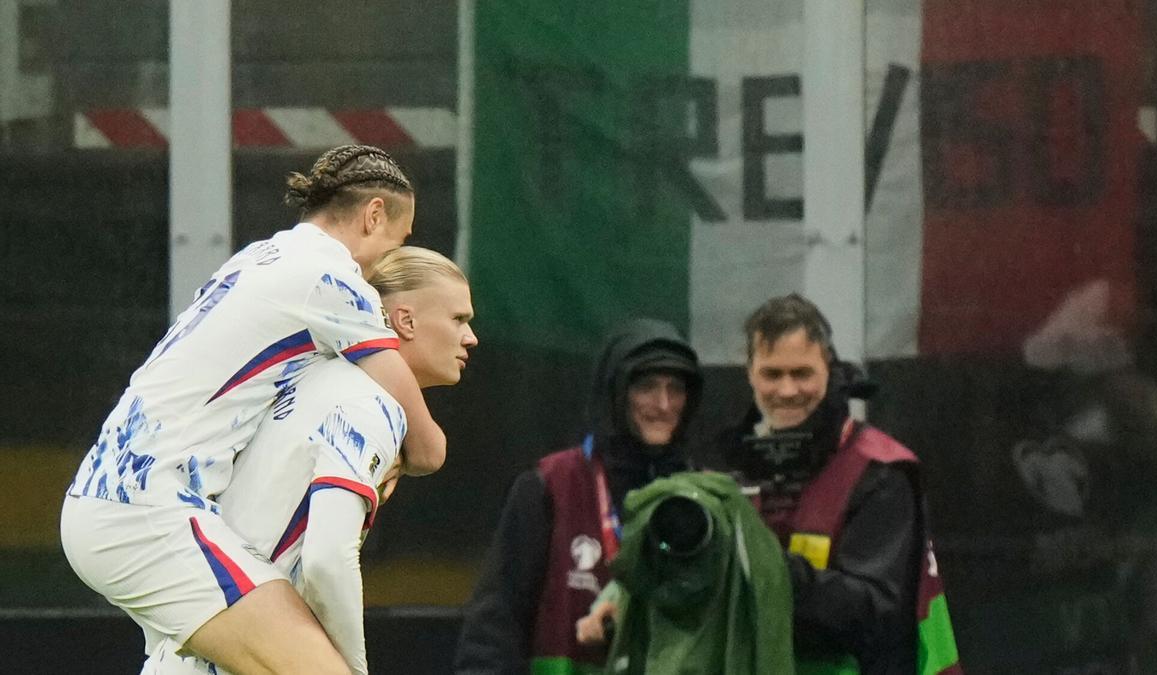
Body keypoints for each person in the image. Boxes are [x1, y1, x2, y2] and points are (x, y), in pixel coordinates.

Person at [60, 145, 447, 675]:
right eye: (397, 245)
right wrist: (418, 450)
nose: (387, 269)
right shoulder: (333, 281)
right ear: (374, 215)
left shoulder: (254, 258)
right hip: (151, 514)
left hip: (109, 498)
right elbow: (424, 442)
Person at [144, 246, 478, 675]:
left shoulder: (307, 376)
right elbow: (326, 559)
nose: (471, 337)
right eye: (458, 319)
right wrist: (350, 668)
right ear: (406, 321)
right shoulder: (372, 404)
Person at [718, 293, 959, 674]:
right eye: (772, 373)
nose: (786, 390)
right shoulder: (732, 468)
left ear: (828, 369)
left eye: (802, 373)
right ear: (750, 373)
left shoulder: (880, 471)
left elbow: (878, 616)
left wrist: (766, 568)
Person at [453, 318, 703, 674]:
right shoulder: (552, 486)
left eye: (675, 388)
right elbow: (496, 624)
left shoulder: (702, 498)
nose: (663, 404)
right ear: (615, 392)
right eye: (646, 386)